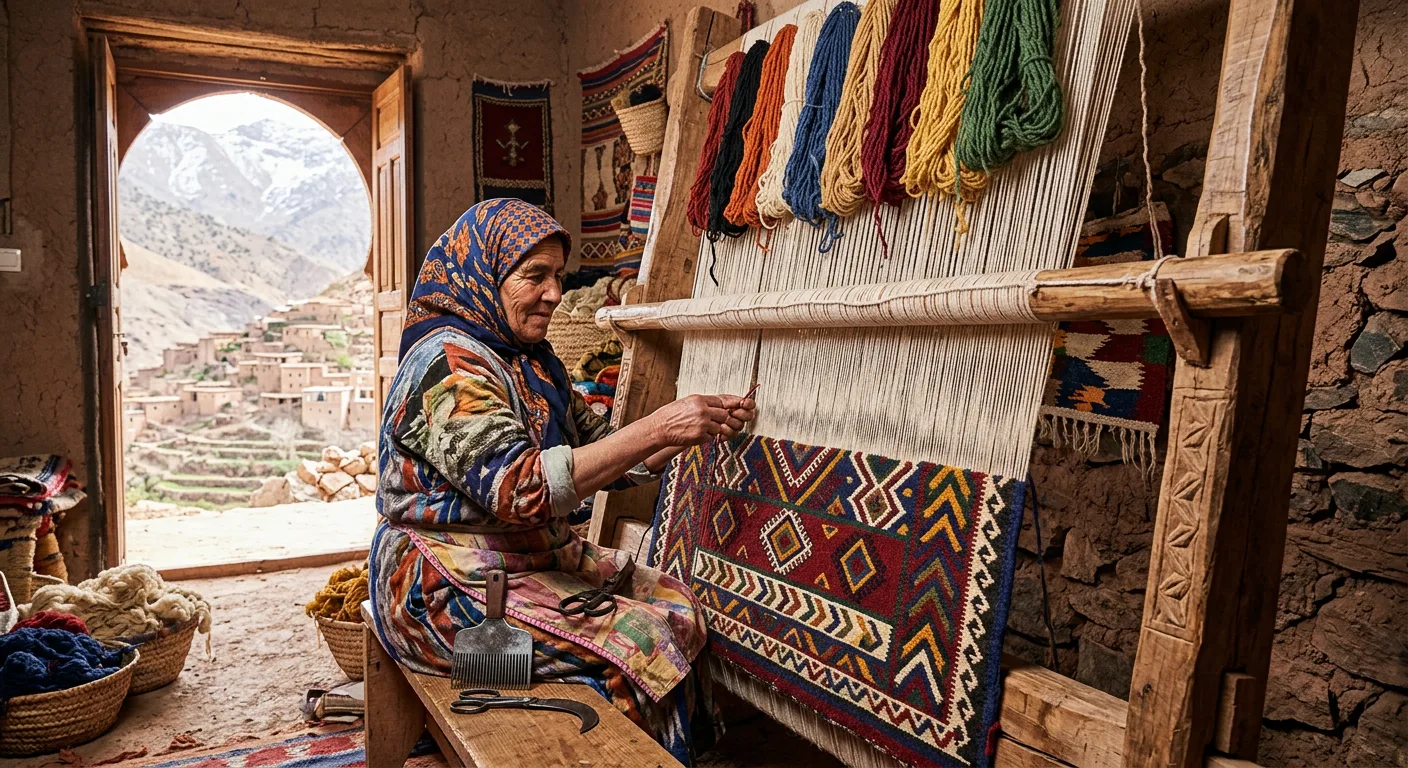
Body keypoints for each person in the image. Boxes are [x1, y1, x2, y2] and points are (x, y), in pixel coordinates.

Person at [368, 198, 755, 764]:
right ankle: (564, 750)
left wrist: (694, 426)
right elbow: (522, 489)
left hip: (523, 563)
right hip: (439, 595)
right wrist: (656, 428)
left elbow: (597, 445)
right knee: (643, 643)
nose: (554, 293)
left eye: (558, 276)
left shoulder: (531, 360)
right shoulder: (447, 366)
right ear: (484, 276)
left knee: (676, 604)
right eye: (534, 276)